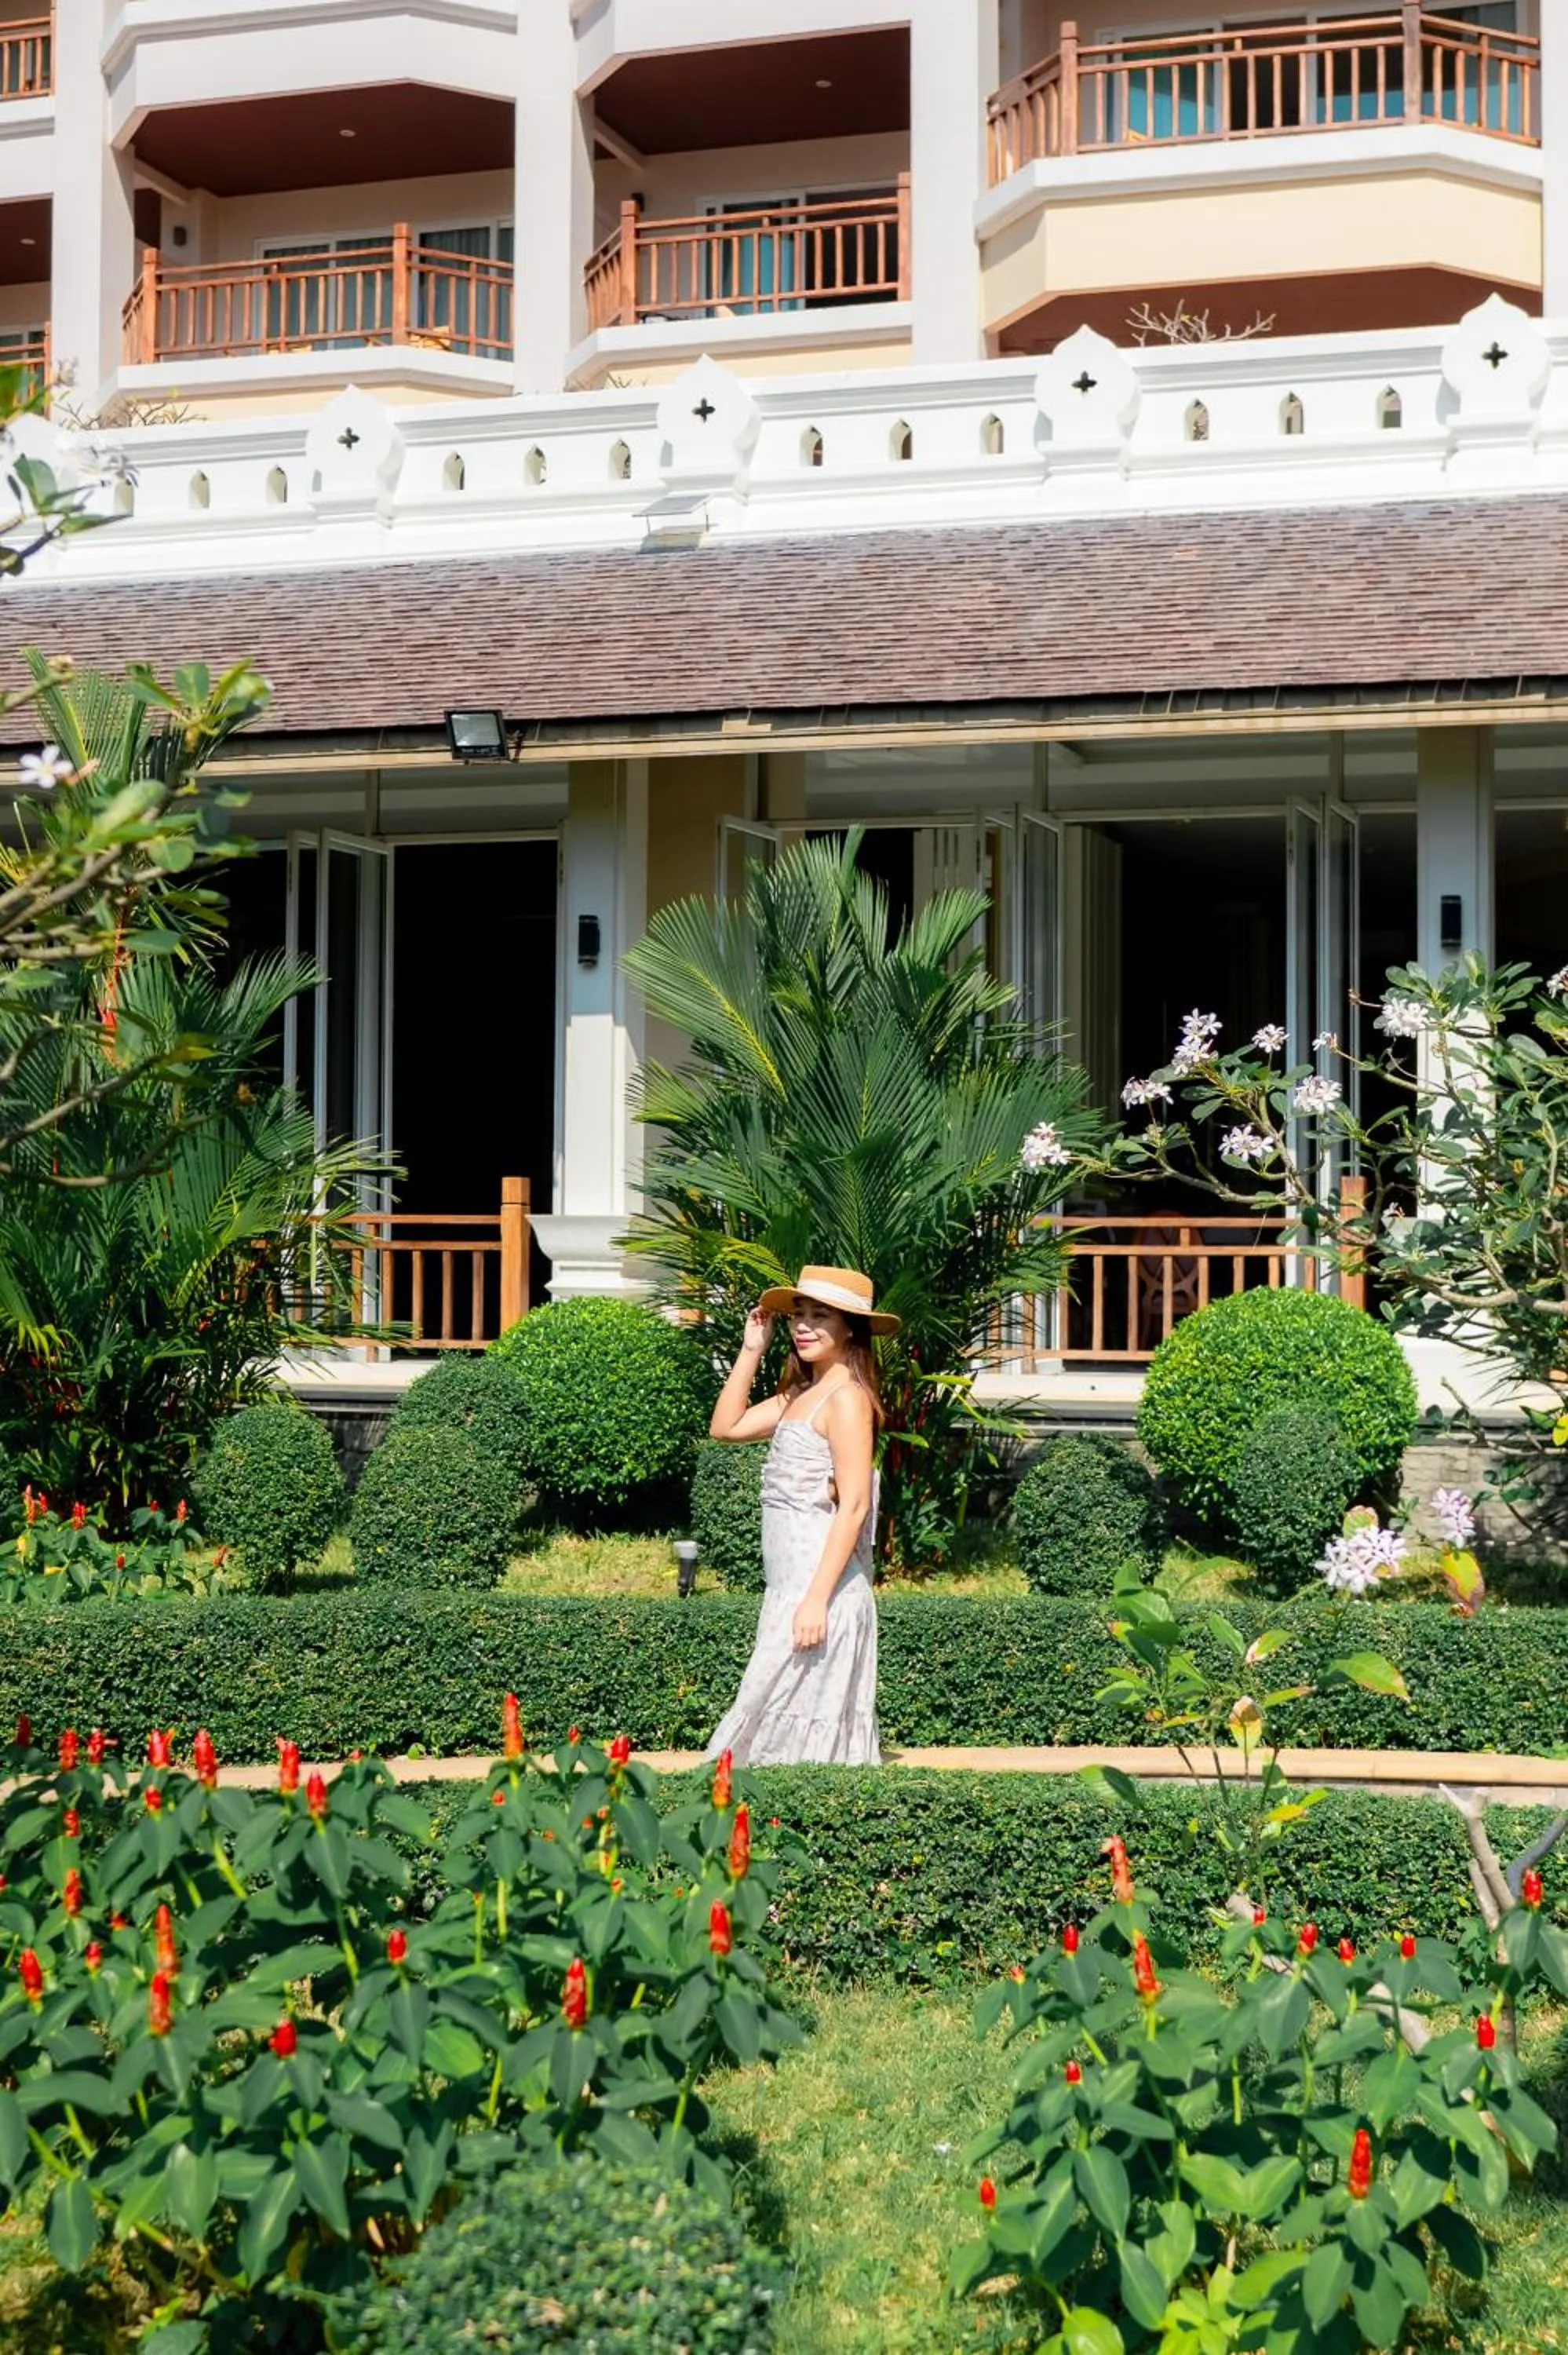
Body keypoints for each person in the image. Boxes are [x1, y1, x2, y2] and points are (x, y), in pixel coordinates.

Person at [703, 1265, 894, 1767]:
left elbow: (853, 1505)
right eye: (799, 1316)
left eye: (820, 1316)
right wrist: (751, 1350)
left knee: (797, 1751)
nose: (803, 1326)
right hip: (791, 1594)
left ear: (850, 1327)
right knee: (764, 1742)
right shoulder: (798, 1395)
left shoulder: (847, 1399)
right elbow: (726, 1426)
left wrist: (814, 1602)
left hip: (821, 1597)